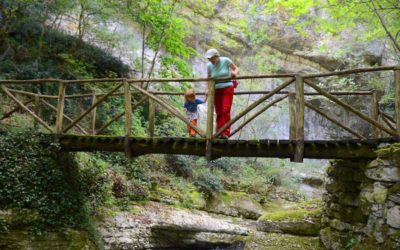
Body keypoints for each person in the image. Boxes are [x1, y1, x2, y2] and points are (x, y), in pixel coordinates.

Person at [205, 48, 239, 139]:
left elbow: (236, 68)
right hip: (216, 90)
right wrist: (207, 89)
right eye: (209, 59)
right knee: (219, 112)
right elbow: (208, 78)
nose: (211, 61)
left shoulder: (226, 60)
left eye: (212, 58)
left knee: (225, 110)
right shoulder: (209, 66)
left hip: (227, 87)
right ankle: (219, 132)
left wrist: (234, 73)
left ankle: (225, 133)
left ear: (217, 56)